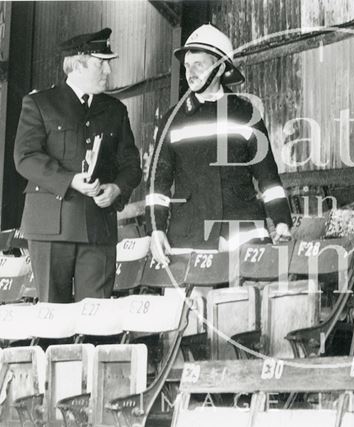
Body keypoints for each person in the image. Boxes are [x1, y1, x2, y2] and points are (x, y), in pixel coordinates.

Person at [14, 28, 142, 303]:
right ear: (77, 64)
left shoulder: (115, 111)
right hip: (51, 229)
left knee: (96, 320)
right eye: (101, 62)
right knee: (53, 318)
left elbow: (131, 164)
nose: (108, 70)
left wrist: (117, 189)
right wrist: (70, 180)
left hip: (98, 230)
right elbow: (25, 157)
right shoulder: (40, 103)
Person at [146, 24, 292, 265]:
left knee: (244, 302)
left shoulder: (245, 112)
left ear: (221, 67)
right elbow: (157, 183)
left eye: (198, 65)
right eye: (187, 66)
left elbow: (268, 177)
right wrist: (156, 228)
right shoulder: (173, 119)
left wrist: (282, 221)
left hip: (243, 238)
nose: (190, 72)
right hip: (190, 239)